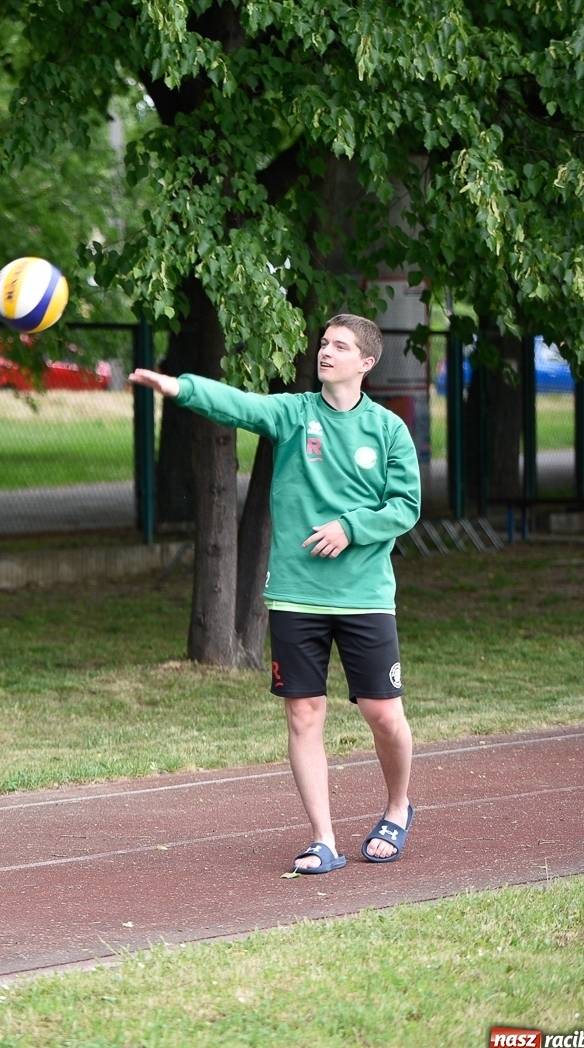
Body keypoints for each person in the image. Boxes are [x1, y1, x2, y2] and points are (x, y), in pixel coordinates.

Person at [129, 313, 420, 874]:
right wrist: (178, 387)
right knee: (304, 716)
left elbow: (405, 506)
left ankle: (398, 807)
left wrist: (350, 527)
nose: (326, 352)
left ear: (367, 361)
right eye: (324, 343)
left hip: (364, 598)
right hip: (295, 595)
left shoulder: (387, 430)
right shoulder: (294, 414)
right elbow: (238, 405)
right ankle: (324, 840)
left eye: (340, 346)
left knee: (384, 715)